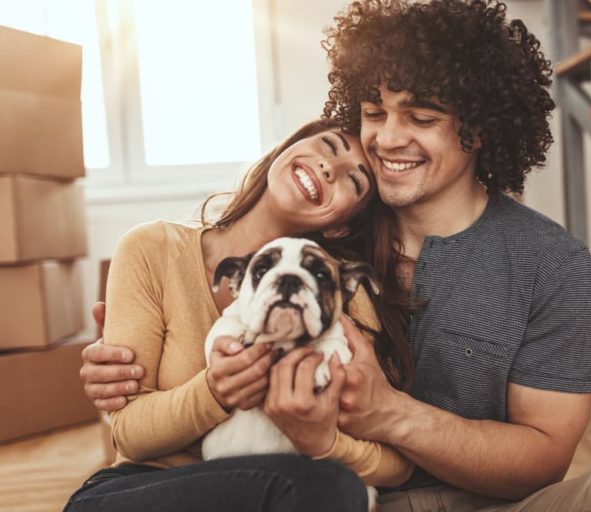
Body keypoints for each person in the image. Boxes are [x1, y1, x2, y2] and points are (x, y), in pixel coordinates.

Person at [82, 1, 591, 511]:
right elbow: (210, 295)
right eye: (373, 111)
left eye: (423, 116)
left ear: (480, 129)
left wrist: (388, 414)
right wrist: (118, 360)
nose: (384, 139)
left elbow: (542, 460)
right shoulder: (323, 239)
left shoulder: (548, 263)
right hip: (326, 495)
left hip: (478, 502)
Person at [68, 118, 416, 512]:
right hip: (148, 488)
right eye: (327, 146)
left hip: (288, 489)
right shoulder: (152, 249)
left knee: (333, 489)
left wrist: (325, 443)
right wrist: (214, 392)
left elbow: (396, 463)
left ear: (342, 226)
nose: (328, 168)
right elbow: (129, 435)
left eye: (354, 181)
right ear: (288, 148)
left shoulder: (340, 296)